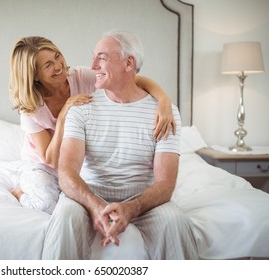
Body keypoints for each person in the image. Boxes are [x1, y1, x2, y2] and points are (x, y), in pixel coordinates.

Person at [42, 30, 198, 259]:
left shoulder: (165, 113)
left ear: (129, 63)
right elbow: (66, 174)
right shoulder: (80, 108)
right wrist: (95, 206)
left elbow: (166, 183)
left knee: (174, 221)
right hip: (89, 196)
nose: (93, 65)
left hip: (144, 200)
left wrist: (131, 208)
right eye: (93, 57)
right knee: (65, 215)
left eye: (102, 57)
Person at [8, 36, 176, 215]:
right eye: (48, 65)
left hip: (76, 160)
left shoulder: (81, 77)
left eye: (57, 56)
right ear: (34, 75)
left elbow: (132, 79)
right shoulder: (30, 106)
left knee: (82, 200)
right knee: (49, 206)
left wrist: (164, 100)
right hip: (43, 165)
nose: (58, 66)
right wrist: (65, 113)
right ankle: (19, 191)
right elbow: (50, 159)